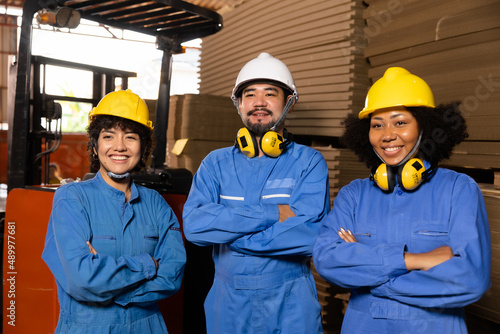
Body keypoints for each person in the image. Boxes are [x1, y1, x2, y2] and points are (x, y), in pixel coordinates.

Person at [313, 67, 491, 333]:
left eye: (400, 122)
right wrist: (414, 260)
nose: (387, 135)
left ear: (425, 127)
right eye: (377, 125)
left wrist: (368, 278)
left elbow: (471, 278)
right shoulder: (353, 195)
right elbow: (327, 259)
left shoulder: (458, 190)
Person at [182, 52, 329, 334]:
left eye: (270, 94)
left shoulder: (309, 163)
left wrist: (231, 234)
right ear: (238, 103)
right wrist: (274, 213)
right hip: (228, 303)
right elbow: (196, 227)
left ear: (290, 103)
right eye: (249, 94)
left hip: (290, 303)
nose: (258, 102)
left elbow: (309, 235)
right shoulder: (215, 163)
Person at [42, 89, 186, 333]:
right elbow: (82, 280)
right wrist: (148, 264)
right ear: (96, 145)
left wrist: (107, 288)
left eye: (130, 137)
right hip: (88, 327)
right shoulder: (71, 199)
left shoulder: (157, 204)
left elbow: (172, 277)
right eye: (109, 136)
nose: (119, 146)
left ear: (143, 147)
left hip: (147, 327)